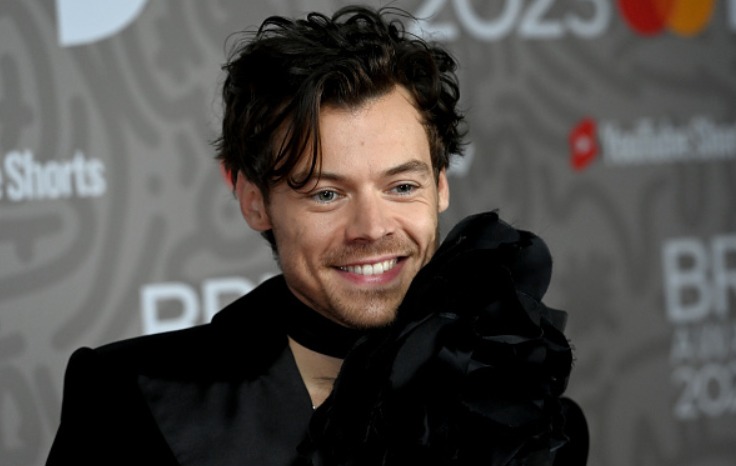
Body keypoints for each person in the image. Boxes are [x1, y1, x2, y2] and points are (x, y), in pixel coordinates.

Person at [46, 6, 587, 466]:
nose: (372, 228)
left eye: (401, 186)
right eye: (327, 194)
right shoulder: (127, 398)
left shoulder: (512, 387)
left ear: (440, 185)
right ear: (254, 202)